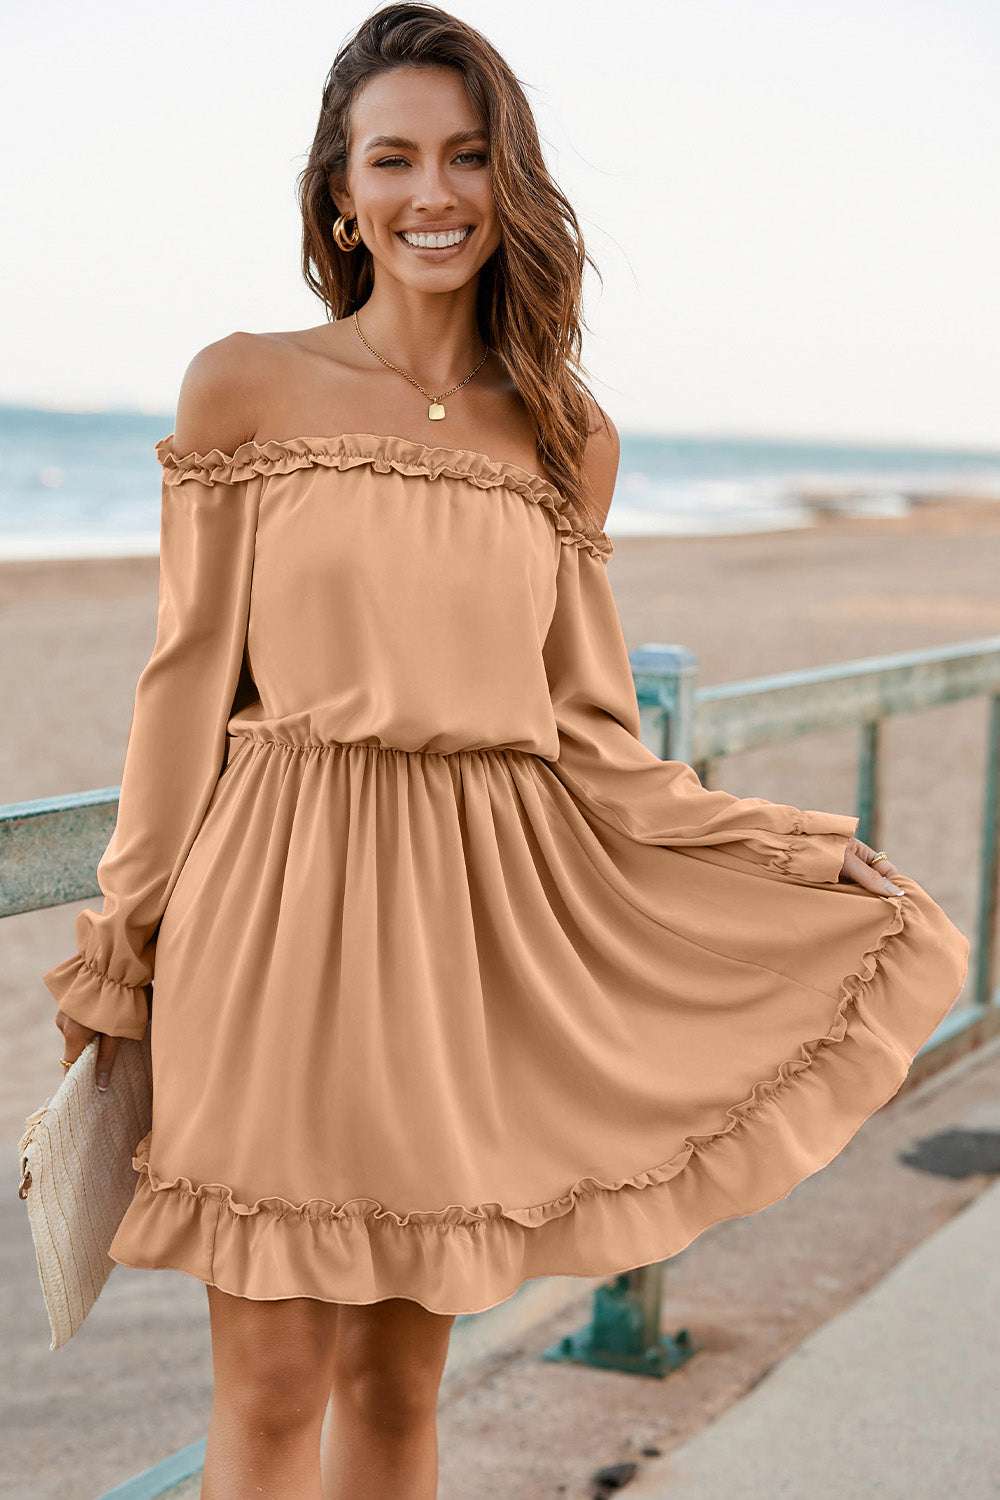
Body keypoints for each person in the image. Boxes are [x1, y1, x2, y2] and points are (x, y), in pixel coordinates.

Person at [42, 5, 969, 1498]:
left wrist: (784, 848)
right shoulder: (244, 385)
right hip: (269, 914)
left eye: (467, 157)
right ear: (338, 195)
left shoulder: (565, 434)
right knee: (273, 1385)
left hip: (465, 935)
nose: (432, 194)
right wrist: (123, 935)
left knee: (400, 1390)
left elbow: (594, 735)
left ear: (508, 181)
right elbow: (182, 689)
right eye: (392, 158)